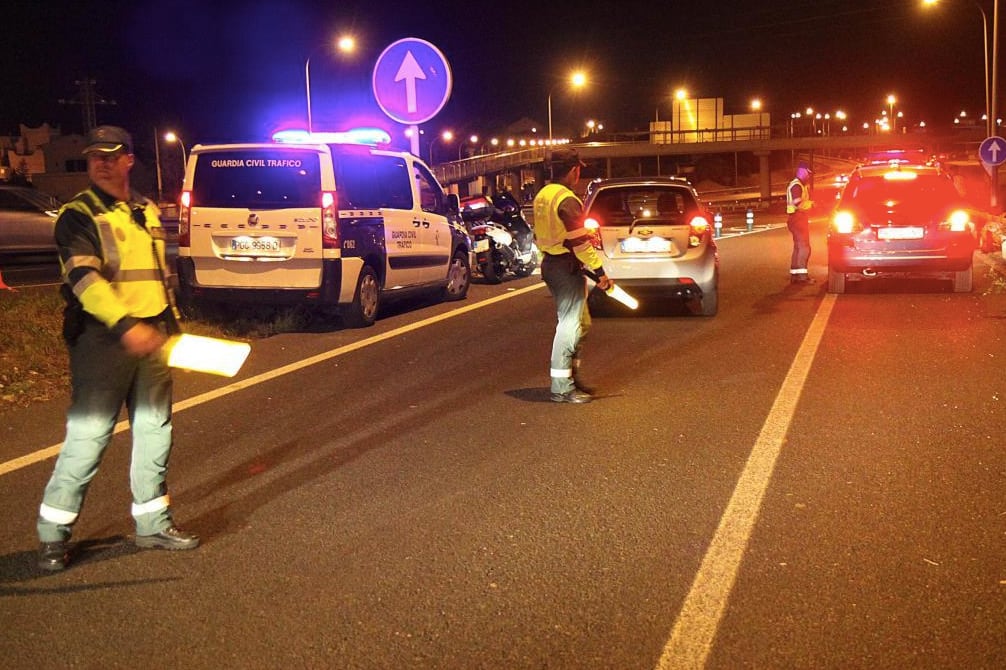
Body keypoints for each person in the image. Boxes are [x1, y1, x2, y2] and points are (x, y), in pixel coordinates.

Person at [36, 125, 198, 572]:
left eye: (110, 155)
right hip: (103, 341)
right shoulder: (78, 214)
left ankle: (152, 523)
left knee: (154, 431)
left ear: (128, 158)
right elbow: (83, 280)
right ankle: (53, 535)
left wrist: (171, 327)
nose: (102, 163)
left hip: (153, 340)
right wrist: (125, 324)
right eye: (94, 157)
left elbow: (161, 278)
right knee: (89, 437)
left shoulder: (146, 209)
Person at [532, 147, 612, 404]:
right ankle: (562, 388)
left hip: (552, 264)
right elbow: (580, 243)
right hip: (565, 267)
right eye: (578, 169)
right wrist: (600, 273)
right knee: (571, 324)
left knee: (582, 322)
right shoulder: (566, 199)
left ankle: (570, 377)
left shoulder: (543, 195)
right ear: (573, 170)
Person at [786, 159, 816, 284]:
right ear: (801, 171)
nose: (808, 176)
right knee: (804, 248)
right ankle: (802, 277)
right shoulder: (797, 185)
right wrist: (812, 205)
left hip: (795, 219)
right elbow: (797, 202)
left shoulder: (798, 184)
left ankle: (795, 275)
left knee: (798, 247)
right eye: (808, 173)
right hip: (798, 218)